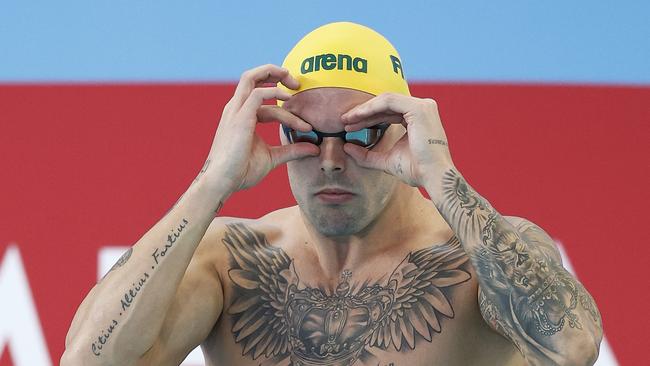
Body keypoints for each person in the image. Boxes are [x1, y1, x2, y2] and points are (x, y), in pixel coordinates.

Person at [61, 22, 603, 366]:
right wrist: (211, 183)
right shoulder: (230, 262)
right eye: (305, 134)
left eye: (359, 134)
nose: (330, 161)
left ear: (403, 131)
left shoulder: (479, 255)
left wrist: (445, 182)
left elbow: (572, 348)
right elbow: (88, 361)